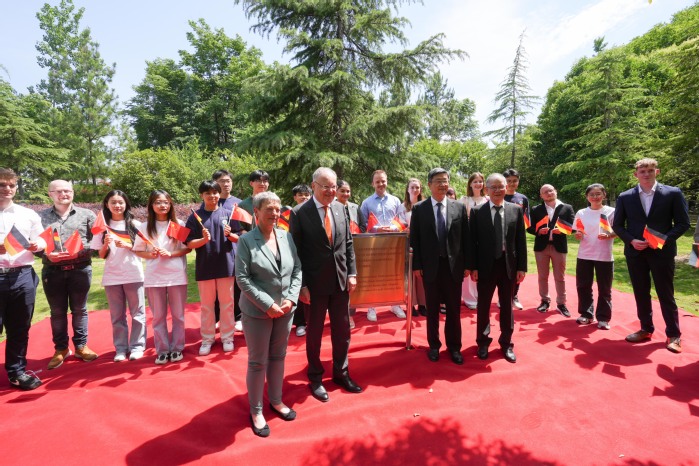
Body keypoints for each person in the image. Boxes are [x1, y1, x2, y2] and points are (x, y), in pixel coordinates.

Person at [289, 167, 361, 402]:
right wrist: (301, 286)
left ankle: (341, 373)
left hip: (340, 282)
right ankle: (315, 377)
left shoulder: (341, 208)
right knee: (315, 334)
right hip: (314, 286)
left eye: (333, 186)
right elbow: (295, 253)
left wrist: (352, 272)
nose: (331, 191)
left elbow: (348, 243)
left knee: (342, 331)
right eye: (325, 187)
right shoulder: (299, 213)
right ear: (314, 186)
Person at [236, 192, 302, 437]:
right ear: (256, 212)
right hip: (257, 312)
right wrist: (267, 304)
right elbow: (242, 278)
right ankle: (256, 410)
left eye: (277, 208)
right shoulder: (246, 241)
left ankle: (276, 400)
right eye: (269, 209)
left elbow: (297, 269)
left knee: (278, 356)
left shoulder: (286, 236)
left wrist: (291, 298)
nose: (275, 213)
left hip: (285, 309)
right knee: (257, 362)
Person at [613, 158, 690, 353]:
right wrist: (631, 240)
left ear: (657, 171)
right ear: (636, 174)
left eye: (650, 170)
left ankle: (673, 335)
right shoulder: (625, 196)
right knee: (640, 292)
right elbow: (618, 225)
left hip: (662, 252)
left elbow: (683, 223)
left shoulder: (673, 193)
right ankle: (646, 329)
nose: (646, 174)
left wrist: (662, 240)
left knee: (665, 293)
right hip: (636, 252)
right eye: (642, 171)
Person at [410, 168, 469, 365]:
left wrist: (467, 265)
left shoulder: (458, 207)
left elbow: (465, 238)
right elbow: (415, 240)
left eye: (445, 181)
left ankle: (454, 347)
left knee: (453, 309)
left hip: (453, 267)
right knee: (432, 309)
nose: (443, 184)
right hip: (430, 266)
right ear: (429, 185)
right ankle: (434, 346)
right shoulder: (420, 209)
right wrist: (417, 265)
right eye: (438, 181)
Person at [39, 179, 98, 370]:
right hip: (52, 271)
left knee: (80, 310)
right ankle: (61, 349)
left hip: (80, 269)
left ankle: (81, 346)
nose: (63, 194)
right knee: (57, 312)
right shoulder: (39, 217)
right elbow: (33, 244)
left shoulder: (87, 214)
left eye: (67, 191)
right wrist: (46, 255)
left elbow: (98, 241)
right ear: (50, 194)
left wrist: (79, 252)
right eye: (58, 191)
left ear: (73, 192)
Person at [467, 173, 526, 363]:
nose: (498, 190)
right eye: (494, 187)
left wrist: (522, 267)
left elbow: (520, 241)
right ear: (487, 189)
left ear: (506, 188)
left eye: (501, 186)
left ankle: (506, 343)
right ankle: (483, 342)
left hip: (509, 266)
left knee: (507, 306)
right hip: (485, 266)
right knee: (483, 305)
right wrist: (473, 267)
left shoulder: (516, 210)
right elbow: (472, 243)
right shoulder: (477, 212)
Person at [0, 168, 46, 390]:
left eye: (11, 185)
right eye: (2, 185)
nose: (7, 189)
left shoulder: (28, 214)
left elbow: (42, 239)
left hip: (22, 276)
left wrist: (38, 245)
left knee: (19, 327)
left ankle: (17, 372)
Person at [133, 190, 191, 364]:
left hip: (176, 276)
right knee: (158, 316)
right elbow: (138, 250)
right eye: (158, 202)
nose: (162, 205)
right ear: (151, 205)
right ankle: (162, 350)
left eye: (166, 202)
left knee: (178, 316)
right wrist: (150, 254)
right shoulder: (144, 227)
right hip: (154, 277)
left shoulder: (178, 224)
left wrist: (171, 253)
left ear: (170, 204)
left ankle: (177, 348)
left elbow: (187, 248)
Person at [90, 190, 146, 362]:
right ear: (107, 205)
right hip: (112, 276)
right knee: (117, 316)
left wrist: (128, 245)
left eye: (120, 202)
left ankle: (137, 346)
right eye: (113, 202)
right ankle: (121, 348)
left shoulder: (135, 224)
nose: (117, 205)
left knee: (138, 313)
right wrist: (105, 245)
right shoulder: (102, 226)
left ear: (126, 204)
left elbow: (144, 250)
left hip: (133, 274)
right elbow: (101, 255)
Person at [185, 181, 237, 356]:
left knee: (227, 304)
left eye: (215, 192)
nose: (212, 196)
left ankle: (227, 337)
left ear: (219, 194)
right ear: (202, 195)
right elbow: (189, 243)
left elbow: (241, 237)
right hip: (205, 266)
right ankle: (207, 339)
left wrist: (231, 234)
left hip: (226, 265)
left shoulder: (228, 214)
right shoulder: (195, 217)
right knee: (207, 306)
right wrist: (203, 240)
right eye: (208, 193)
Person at [359, 169, 406, 321]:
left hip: (393, 242)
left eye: (383, 181)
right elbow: (362, 224)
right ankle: (371, 306)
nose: (381, 184)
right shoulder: (366, 203)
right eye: (377, 181)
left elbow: (400, 220)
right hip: (374, 243)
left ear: (387, 181)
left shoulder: (395, 201)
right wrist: (377, 228)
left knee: (394, 273)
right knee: (373, 274)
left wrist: (392, 228)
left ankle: (395, 304)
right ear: (372, 184)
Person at [527, 184, 575, 317]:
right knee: (543, 276)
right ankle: (544, 301)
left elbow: (573, 226)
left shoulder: (567, 208)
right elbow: (529, 227)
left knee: (560, 277)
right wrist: (538, 231)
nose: (548, 193)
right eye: (545, 192)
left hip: (559, 246)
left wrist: (563, 230)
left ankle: (561, 303)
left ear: (555, 191)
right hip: (541, 247)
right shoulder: (536, 209)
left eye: (550, 190)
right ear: (541, 196)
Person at [573, 184, 616, 330]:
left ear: (604, 195)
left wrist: (609, 235)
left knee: (605, 288)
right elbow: (578, 231)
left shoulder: (611, 211)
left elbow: (619, 230)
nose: (595, 197)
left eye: (598, 194)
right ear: (587, 197)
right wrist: (578, 235)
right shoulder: (581, 213)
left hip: (604, 255)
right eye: (591, 194)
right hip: (584, 254)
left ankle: (603, 318)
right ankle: (586, 314)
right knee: (583, 286)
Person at [212, 169, 244, 332]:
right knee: (217, 286)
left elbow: (244, 229)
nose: (226, 184)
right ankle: (217, 317)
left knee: (237, 285)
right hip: (215, 251)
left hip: (235, 250)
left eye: (228, 181)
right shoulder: (211, 203)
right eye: (222, 181)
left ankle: (238, 317)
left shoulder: (239, 204)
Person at [336, 179, 366, 329]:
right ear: (336, 191)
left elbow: (363, 225)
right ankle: (342, 315)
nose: (346, 194)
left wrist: (356, 232)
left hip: (355, 248)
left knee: (352, 283)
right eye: (342, 191)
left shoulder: (355, 207)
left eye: (348, 191)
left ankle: (350, 314)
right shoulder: (331, 208)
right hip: (338, 251)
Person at [397, 178, 427, 317]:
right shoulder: (402, 207)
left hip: (423, 244)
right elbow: (400, 224)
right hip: (408, 243)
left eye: (417, 187)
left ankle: (423, 304)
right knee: (410, 275)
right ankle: (411, 304)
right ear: (407, 189)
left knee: (422, 274)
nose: (415, 190)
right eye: (412, 187)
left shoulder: (425, 205)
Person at [459, 172, 488, 310]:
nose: (478, 184)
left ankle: (481, 296)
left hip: (484, 238)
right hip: (468, 238)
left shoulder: (487, 200)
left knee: (482, 267)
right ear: (470, 184)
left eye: (480, 181)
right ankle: (469, 298)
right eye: (475, 181)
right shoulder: (464, 200)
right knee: (469, 266)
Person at [503, 168, 529, 310]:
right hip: (500, 237)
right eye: (509, 181)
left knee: (517, 267)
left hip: (516, 238)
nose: (512, 184)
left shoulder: (522, 198)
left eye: (515, 181)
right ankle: (503, 296)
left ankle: (514, 296)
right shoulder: (499, 195)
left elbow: (526, 219)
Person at [290, 183, 312, 337]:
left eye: (306, 195)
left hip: (311, 259)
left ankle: (311, 321)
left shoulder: (314, 212)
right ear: (295, 197)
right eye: (300, 195)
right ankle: (300, 323)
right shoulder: (291, 213)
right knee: (298, 290)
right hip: (294, 256)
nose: (304, 197)